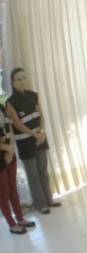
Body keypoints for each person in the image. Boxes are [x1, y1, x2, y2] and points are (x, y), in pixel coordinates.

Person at [6, 67, 59, 213]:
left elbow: (41, 115)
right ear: (13, 82)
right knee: (33, 175)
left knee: (43, 171)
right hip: (25, 142)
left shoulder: (34, 95)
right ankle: (40, 204)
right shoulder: (10, 102)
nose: (22, 81)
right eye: (19, 79)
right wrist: (35, 135)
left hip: (40, 138)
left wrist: (41, 133)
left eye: (24, 78)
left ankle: (49, 200)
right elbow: (17, 124)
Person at [0, 107, 34, 234]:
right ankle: (11, 224)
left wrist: (10, 149)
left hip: (9, 153)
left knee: (13, 188)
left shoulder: (2, 108)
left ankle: (20, 219)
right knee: (3, 193)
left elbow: (9, 129)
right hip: (3, 153)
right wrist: (6, 147)